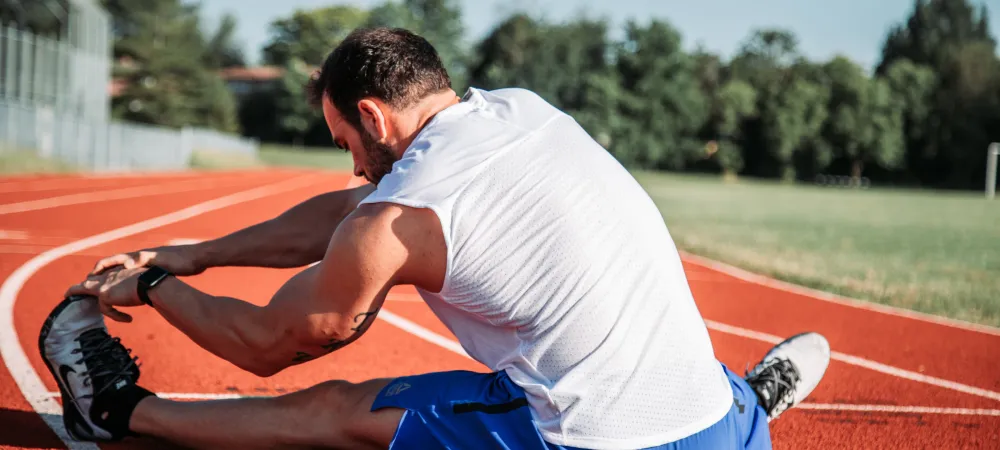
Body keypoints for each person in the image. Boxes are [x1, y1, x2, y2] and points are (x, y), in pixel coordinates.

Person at [40, 27, 830, 449]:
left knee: (329, 413)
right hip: (708, 420)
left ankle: (118, 413)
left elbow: (266, 341)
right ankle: (746, 406)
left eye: (345, 139)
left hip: (586, 442)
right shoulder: (517, 110)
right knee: (649, 341)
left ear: (375, 119)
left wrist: (151, 286)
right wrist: (197, 253)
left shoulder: (397, 220)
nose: (351, 164)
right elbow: (347, 215)